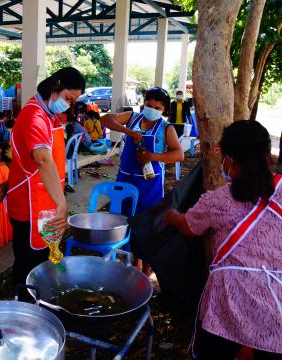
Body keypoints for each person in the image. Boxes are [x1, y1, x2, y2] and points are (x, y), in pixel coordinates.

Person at [164, 120, 282, 359]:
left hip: (230, 298)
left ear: (228, 158)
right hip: (277, 303)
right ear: (268, 154)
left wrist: (171, 216)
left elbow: (189, 226)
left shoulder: (219, 200)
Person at [0, 67, 86, 298]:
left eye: (73, 101)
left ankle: (36, 301)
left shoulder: (49, 116)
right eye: (68, 98)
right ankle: (23, 307)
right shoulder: (34, 116)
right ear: (55, 86)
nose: (69, 104)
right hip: (29, 206)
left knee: (40, 259)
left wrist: (9, 182)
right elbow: (43, 160)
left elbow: (24, 161)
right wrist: (62, 204)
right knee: (28, 262)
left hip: (43, 201)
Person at [101, 87, 184, 214]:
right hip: (125, 177)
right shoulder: (132, 118)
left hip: (150, 183)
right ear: (143, 104)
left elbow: (179, 155)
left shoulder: (166, 128)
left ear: (164, 110)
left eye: (157, 108)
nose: (152, 110)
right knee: (120, 216)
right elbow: (106, 119)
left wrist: (151, 156)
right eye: (149, 106)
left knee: (146, 218)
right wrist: (128, 131)